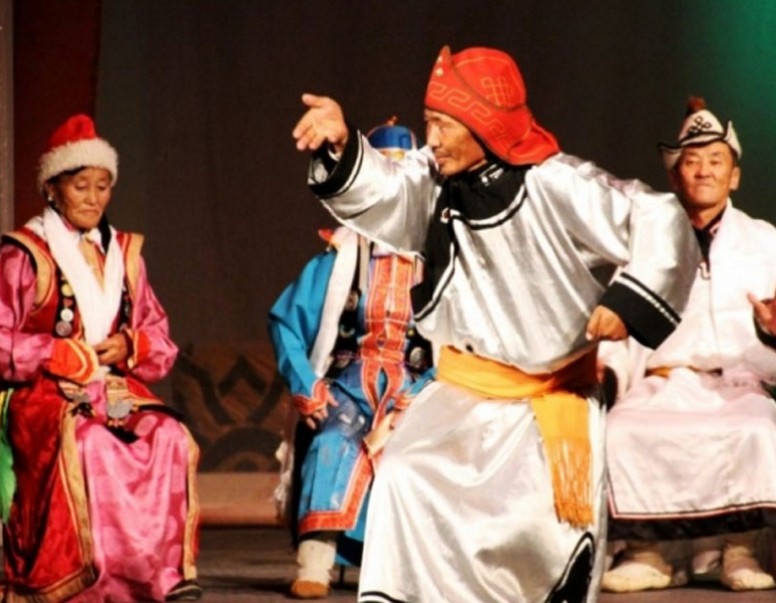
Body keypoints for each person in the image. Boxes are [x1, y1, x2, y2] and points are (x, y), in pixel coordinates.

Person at [291, 45, 700, 602]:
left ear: (483, 124)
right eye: (428, 122)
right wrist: (343, 146)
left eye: (442, 125)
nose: (431, 139)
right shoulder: (433, 179)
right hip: (462, 393)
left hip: (545, 403)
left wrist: (627, 302)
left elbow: (658, 215)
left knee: (532, 535)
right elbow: (387, 189)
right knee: (405, 476)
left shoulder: (557, 183)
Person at [0, 114, 201, 602]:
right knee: (92, 443)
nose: (94, 198)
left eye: (103, 186)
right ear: (52, 189)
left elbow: (158, 337)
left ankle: (157, 576)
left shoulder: (124, 254)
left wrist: (130, 346)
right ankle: (90, 580)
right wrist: (52, 351)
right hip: (45, 395)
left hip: (113, 390)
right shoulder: (27, 253)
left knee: (168, 436)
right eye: (81, 186)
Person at [600, 98, 776, 593]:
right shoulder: (647, 243)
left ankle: (739, 551)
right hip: (662, 384)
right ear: (675, 178)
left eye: (716, 161)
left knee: (757, 428)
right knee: (622, 430)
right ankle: (647, 554)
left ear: (734, 177)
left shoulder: (766, 241)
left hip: (737, 384)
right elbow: (619, 321)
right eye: (691, 162)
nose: (703, 171)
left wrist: (770, 330)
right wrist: (606, 372)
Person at [270, 120, 434, 599]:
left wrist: (427, 392)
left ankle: (404, 572)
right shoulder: (342, 255)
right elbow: (286, 322)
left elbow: (459, 341)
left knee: (417, 457)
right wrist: (307, 385)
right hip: (348, 383)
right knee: (334, 440)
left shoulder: (437, 260)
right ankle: (316, 561)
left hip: (419, 389)